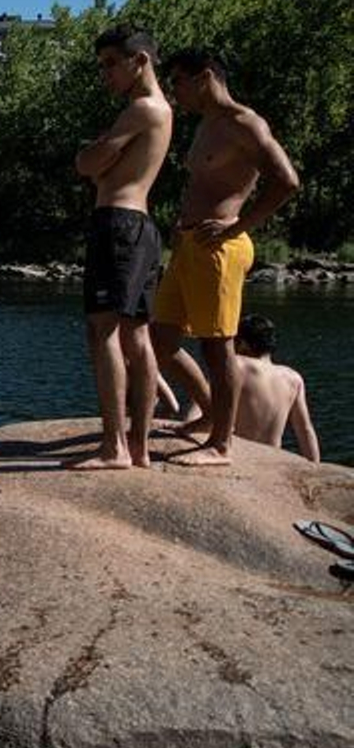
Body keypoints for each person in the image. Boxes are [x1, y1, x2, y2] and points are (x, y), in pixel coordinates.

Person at [153, 48, 301, 467]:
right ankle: (209, 415)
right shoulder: (206, 124)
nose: (174, 91)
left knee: (218, 348)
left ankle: (222, 443)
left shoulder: (245, 123)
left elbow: (287, 181)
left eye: (178, 81)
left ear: (205, 77)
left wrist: (237, 227)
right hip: (188, 247)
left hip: (220, 249)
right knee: (159, 340)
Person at [69, 27, 172, 470]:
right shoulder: (162, 111)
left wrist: (88, 154)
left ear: (141, 61)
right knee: (136, 334)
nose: (105, 74)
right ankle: (140, 446)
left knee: (102, 331)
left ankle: (114, 447)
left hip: (117, 224)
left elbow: (89, 164)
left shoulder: (140, 109)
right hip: (143, 227)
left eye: (112, 63)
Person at [232, 314, 319, 462]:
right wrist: (315, 467)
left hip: (240, 457)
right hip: (272, 460)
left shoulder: (237, 365)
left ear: (242, 344)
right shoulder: (292, 378)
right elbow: (305, 430)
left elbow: (200, 408)